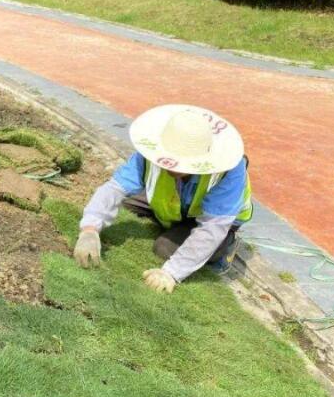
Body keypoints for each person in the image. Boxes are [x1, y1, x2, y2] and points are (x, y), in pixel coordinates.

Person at [74, 104, 252, 292]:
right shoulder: (152, 152)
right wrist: (90, 229)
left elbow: (213, 227)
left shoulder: (229, 171)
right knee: (127, 204)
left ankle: (227, 246)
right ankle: (171, 223)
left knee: (165, 248)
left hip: (216, 217)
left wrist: (172, 273)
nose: (173, 168)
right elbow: (115, 188)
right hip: (178, 200)